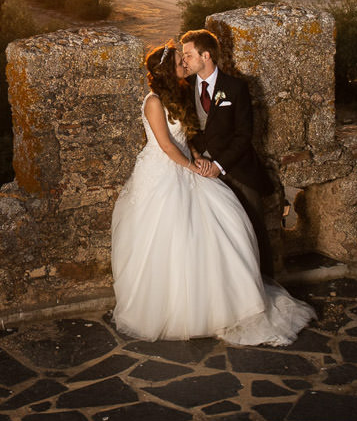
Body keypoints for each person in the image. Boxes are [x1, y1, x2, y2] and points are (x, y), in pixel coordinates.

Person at [111, 41, 314, 344]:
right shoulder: (153, 101)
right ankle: (179, 311)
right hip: (162, 174)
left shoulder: (181, 93)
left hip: (189, 165)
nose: (185, 63)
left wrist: (196, 158)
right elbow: (166, 145)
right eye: (181, 60)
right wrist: (193, 167)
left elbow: (184, 138)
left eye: (186, 57)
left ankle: (233, 299)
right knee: (172, 238)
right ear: (168, 69)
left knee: (222, 226)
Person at [178, 28, 281, 276]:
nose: (184, 61)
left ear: (206, 56)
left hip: (237, 168)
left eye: (188, 55)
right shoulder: (183, 88)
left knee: (252, 226)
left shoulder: (235, 88)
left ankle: (263, 281)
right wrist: (198, 158)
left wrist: (219, 165)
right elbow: (185, 130)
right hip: (200, 171)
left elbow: (244, 135)